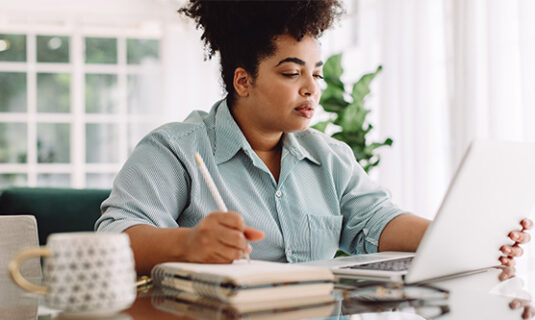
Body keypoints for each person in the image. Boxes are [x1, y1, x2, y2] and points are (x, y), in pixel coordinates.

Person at [95, 0, 531, 280]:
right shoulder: (174, 149)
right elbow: (113, 238)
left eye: (316, 72)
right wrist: (187, 244)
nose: (311, 88)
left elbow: (376, 222)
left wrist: (456, 237)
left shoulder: (330, 156)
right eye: (291, 73)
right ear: (243, 81)